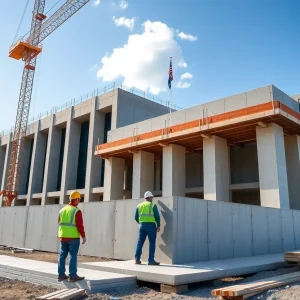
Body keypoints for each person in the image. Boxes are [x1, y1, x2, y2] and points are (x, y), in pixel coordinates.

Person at [57, 191, 86, 282]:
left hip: (63, 236)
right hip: (73, 237)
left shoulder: (62, 210)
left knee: (62, 255)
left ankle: (61, 275)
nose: (79, 202)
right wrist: (83, 236)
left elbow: (59, 221)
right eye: (79, 200)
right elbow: (80, 225)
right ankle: (73, 275)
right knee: (73, 256)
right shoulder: (76, 211)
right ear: (76, 199)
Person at [134, 191, 161, 265]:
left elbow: (135, 217)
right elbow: (157, 216)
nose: (152, 198)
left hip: (142, 226)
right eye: (152, 197)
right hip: (151, 226)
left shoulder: (139, 205)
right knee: (152, 243)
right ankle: (151, 260)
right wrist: (158, 225)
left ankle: (137, 259)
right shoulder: (152, 205)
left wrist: (140, 223)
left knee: (140, 242)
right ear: (149, 197)